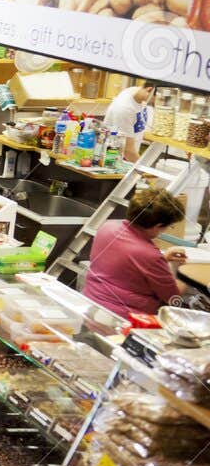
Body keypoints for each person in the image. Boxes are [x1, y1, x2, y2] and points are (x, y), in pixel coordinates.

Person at [83, 187, 190, 317]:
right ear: (158, 226)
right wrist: (185, 272)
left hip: (91, 304)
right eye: (169, 226)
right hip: (125, 320)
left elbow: (127, 265)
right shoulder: (150, 255)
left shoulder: (108, 226)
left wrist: (163, 258)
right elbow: (173, 299)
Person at [103, 82, 156, 162]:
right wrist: (143, 172)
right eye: (160, 98)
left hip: (128, 158)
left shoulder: (134, 92)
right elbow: (128, 151)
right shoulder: (125, 108)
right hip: (115, 159)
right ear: (150, 90)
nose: (159, 103)